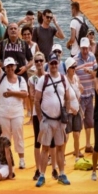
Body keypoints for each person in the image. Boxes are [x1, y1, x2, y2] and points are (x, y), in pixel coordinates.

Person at [34, 54, 75, 187]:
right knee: (45, 148)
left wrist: (66, 117)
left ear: (58, 64)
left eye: (55, 63)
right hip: (47, 119)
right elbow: (36, 99)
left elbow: (68, 98)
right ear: (48, 64)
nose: (53, 65)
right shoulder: (43, 79)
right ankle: (42, 175)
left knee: (60, 148)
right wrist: (40, 118)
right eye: (51, 63)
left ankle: (61, 173)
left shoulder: (63, 79)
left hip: (59, 120)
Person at [0, 56, 30, 169]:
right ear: (4, 68)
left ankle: (21, 159)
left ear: (14, 67)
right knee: (4, 137)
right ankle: (7, 160)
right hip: (3, 113)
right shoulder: (1, 77)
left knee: (18, 135)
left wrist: (12, 93)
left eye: (11, 66)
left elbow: (25, 94)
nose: (9, 68)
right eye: (7, 66)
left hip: (16, 113)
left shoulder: (20, 80)